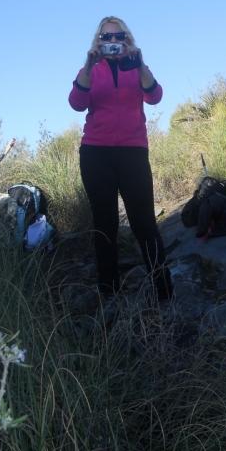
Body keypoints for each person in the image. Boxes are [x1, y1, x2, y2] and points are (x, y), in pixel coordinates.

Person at [68, 16, 172, 299]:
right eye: (106, 37)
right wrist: (89, 67)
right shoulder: (91, 69)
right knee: (104, 224)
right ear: (98, 42)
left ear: (127, 39)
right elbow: (76, 103)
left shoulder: (136, 66)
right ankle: (109, 294)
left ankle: (164, 292)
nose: (113, 42)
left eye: (118, 36)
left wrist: (139, 63)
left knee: (144, 223)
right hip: (96, 154)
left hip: (133, 153)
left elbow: (155, 96)